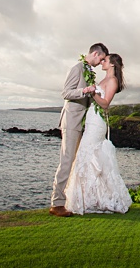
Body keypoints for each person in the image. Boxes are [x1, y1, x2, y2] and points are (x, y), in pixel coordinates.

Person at [64, 53, 132, 215]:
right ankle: (91, 198)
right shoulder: (103, 79)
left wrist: (93, 92)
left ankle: (97, 198)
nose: (102, 62)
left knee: (88, 153)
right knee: (85, 154)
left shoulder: (113, 81)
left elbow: (105, 103)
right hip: (91, 118)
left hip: (98, 121)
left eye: (105, 60)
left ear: (113, 64)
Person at [49, 42, 109, 217]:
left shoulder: (89, 70)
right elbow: (66, 93)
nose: (101, 63)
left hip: (83, 122)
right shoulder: (77, 68)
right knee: (66, 161)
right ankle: (57, 204)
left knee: (76, 161)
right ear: (96, 54)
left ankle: (69, 200)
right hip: (71, 120)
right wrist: (84, 90)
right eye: (102, 59)